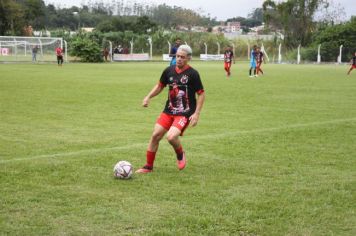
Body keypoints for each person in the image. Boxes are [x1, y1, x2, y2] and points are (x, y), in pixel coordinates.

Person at [136, 45, 205, 173]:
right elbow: (160, 86)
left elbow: (201, 93)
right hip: (169, 111)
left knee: (171, 137)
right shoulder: (169, 71)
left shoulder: (193, 74)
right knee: (155, 135)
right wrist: (148, 97)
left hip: (184, 113)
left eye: (182, 57)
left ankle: (180, 154)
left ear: (189, 58)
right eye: (177, 56)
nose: (179, 59)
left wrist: (196, 114)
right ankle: (148, 166)